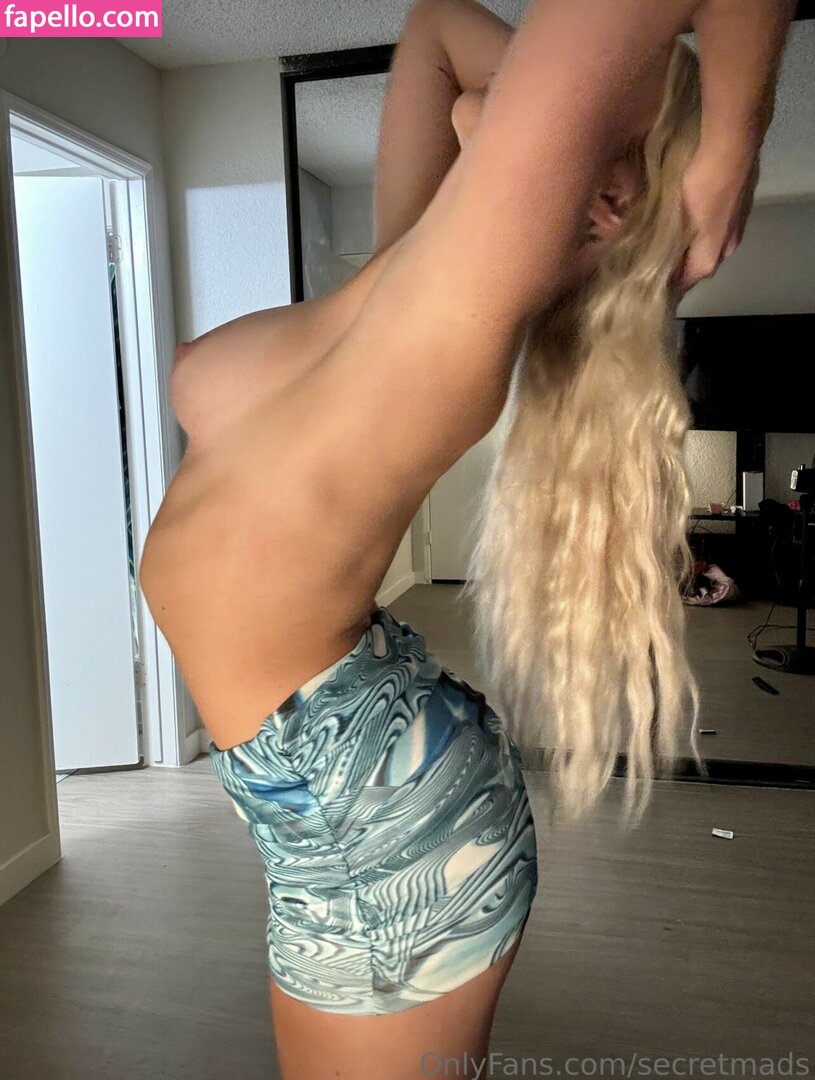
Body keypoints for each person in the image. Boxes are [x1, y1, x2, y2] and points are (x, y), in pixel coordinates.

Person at [138, 0, 795, 1076]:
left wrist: (724, 148)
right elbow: (438, 29)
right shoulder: (416, 263)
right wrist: (658, 132)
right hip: (334, 785)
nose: (515, 88)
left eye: (579, 118)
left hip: (371, 827)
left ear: (608, 196)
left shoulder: (475, 281)